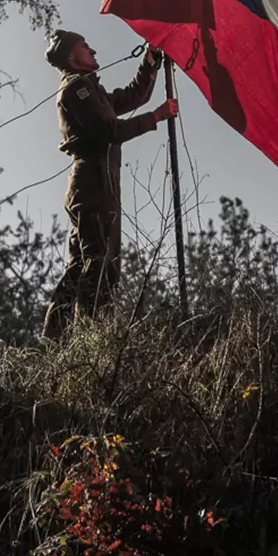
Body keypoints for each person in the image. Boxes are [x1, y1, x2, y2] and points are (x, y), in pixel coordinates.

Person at [40, 29, 178, 340]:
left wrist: (151, 60)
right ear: (73, 56)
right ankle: (92, 337)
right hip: (92, 184)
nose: (94, 50)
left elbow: (132, 97)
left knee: (85, 265)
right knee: (100, 264)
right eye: (85, 46)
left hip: (95, 184)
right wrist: (156, 116)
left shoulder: (90, 91)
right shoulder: (77, 90)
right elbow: (109, 130)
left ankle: (57, 338)